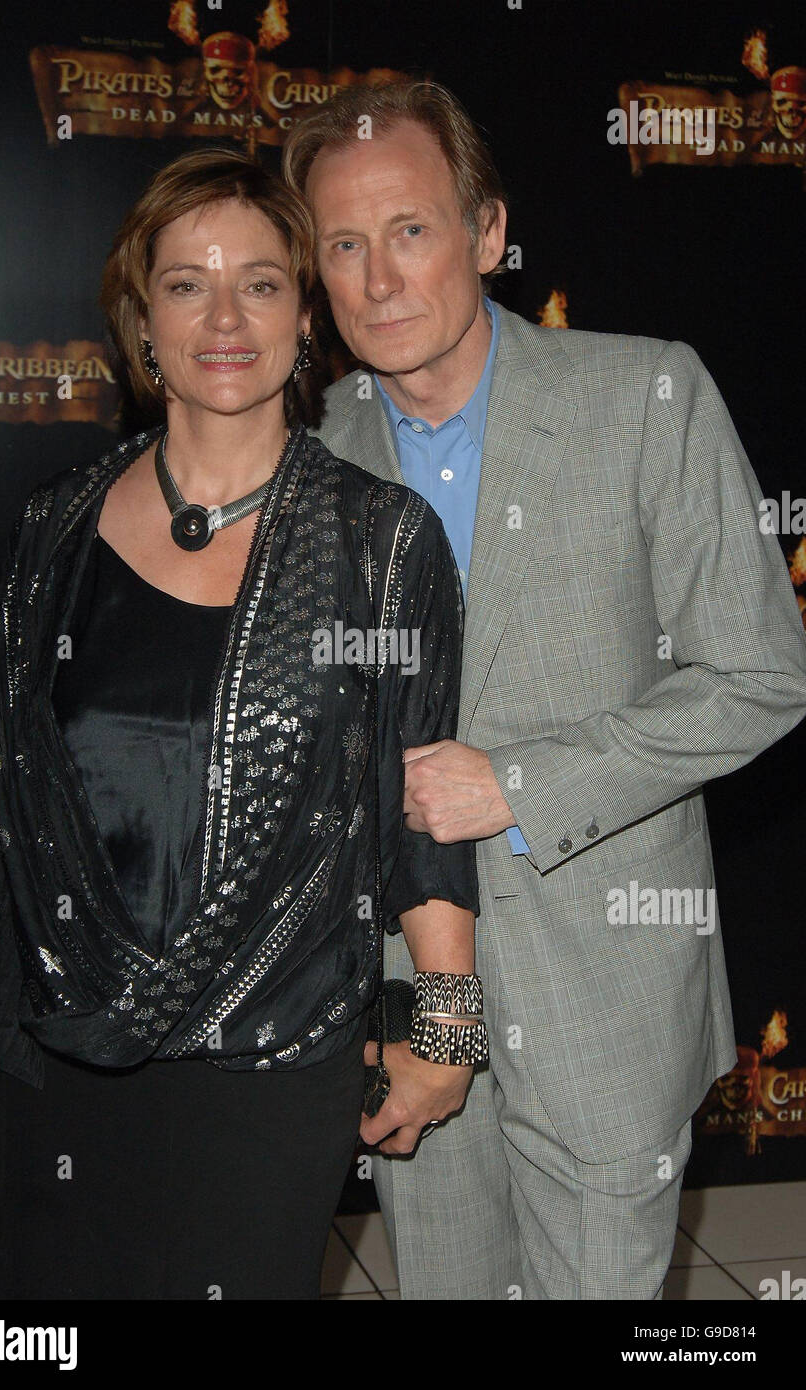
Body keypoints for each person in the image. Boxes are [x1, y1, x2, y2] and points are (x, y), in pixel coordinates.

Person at [282, 79, 806, 1300]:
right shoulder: (309, 457)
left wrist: (513, 785)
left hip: (604, 994)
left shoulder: (644, 398)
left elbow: (761, 676)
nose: (377, 278)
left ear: (488, 233)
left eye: (409, 230)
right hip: (414, 1002)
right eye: (341, 246)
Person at [0, 147, 480, 1301]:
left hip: (269, 1061)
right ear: (141, 320)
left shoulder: (379, 546)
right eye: (186, 283)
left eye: (259, 280)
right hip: (61, 1049)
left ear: (306, 317)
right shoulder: (53, 530)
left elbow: (424, 810)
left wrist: (445, 1032)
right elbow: (16, 798)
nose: (224, 314)